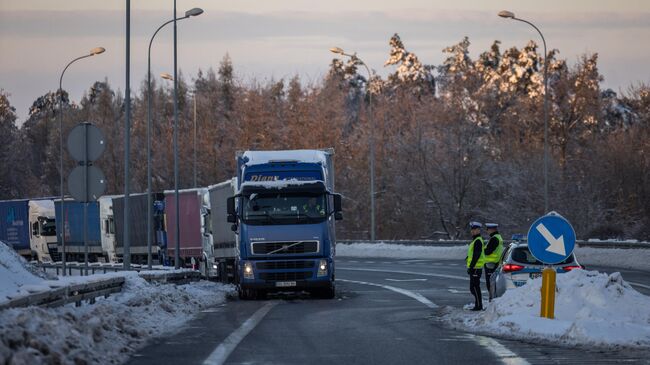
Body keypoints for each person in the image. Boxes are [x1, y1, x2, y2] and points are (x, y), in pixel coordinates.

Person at [466, 221, 485, 311]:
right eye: (472, 229)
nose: (472, 231)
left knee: (475, 287)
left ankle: (479, 305)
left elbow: (477, 255)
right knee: (473, 287)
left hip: (476, 268)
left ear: (478, 230)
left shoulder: (477, 241)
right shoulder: (475, 240)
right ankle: (478, 304)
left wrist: (472, 267)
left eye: (475, 229)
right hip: (475, 267)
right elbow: (473, 254)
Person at [483, 222, 504, 301]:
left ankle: (491, 300)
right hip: (495, 263)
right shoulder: (498, 237)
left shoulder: (494, 239)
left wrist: (483, 250)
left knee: (490, 284)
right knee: (493, 283)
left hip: (491, 264)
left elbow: (488, 251)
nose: (487, 231)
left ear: (492, 230)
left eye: (488, 229)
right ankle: (492, 299)